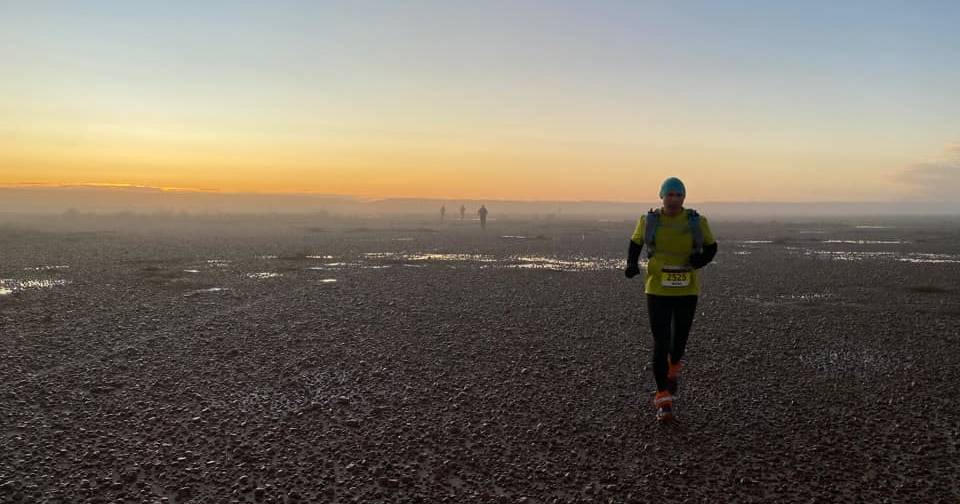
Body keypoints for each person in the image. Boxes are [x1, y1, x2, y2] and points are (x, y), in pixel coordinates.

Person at [624, 177, 717, 422]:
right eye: (670, 194)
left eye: (679, 195)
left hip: (687, 289)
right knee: (661, 341)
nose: (674, 199)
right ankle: (663, 398)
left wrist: (701, 261)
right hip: (657, 289)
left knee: (679, 342)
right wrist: (632, 264)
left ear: (684, 198)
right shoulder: (648, 221)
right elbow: (635, 243)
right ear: (662, 196)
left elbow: (711, 246)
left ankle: (674, 366)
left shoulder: (697, 221)